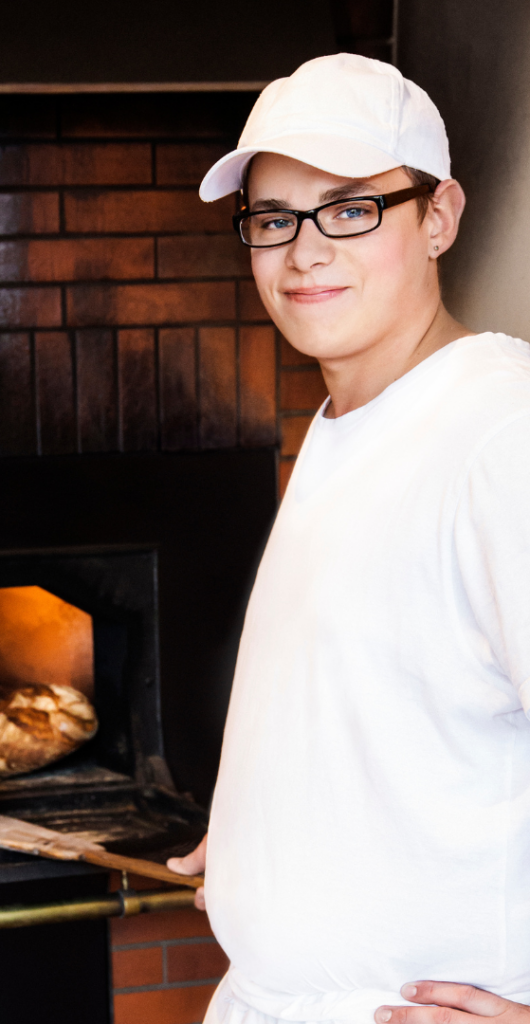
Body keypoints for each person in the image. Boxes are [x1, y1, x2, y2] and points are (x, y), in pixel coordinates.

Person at [166, 53, 530, 1024]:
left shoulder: (502, 433)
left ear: (439, 217)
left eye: (350, 208)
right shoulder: (350, 421)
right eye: (273, 219)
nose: (304, 252)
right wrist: (264, 839)